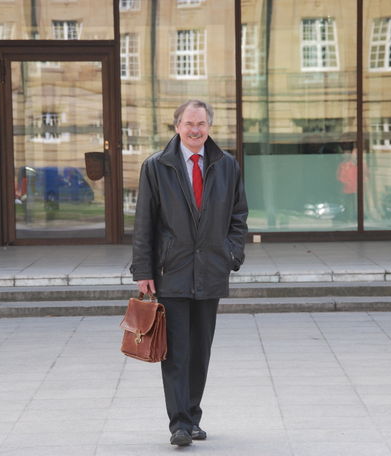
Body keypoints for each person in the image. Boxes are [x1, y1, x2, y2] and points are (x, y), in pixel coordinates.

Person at [130, 99, 248, 446]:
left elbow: (238, 216)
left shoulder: (227, 165)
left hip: (211, 268)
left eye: (201, 124)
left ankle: (193, 416)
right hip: (172, 270)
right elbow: (144, 224)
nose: (195, 130)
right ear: (176, 126)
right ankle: (179, 423)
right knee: (176, 349)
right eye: (188, 124)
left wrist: (230, 254)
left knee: (200, 350)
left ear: (209, 126)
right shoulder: (156, 166)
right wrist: (144, 269)